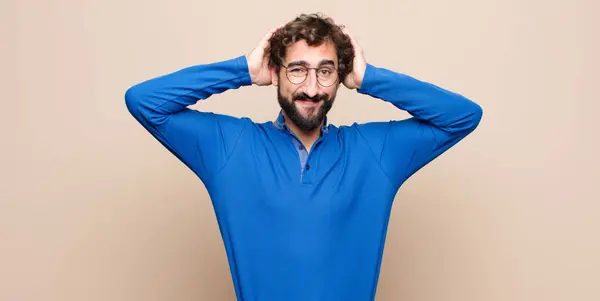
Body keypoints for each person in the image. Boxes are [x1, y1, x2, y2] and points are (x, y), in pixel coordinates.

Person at [125, 13, 482, 301]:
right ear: (275, 71)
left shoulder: (373, 153)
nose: (311, 89)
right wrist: (242, 71)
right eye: (297, 70)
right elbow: (145, 101)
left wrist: (370, 78)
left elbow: (463, 116)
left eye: (325, 72)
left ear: (340, 77)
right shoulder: (231, 147)